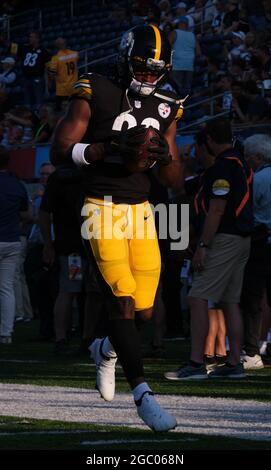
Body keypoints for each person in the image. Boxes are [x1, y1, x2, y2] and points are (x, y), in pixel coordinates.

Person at [50, 24, 184, 431]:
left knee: (143, 311)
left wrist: (162, 156)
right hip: (100, 206)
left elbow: (175, 179)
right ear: (127, 59)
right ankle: (143, 396)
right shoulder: (96, 87)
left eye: (155, 69)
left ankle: (105, 348)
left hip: (141, 210)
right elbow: (59, 150)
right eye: (142, 68)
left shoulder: (168, 102)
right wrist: (103, 148)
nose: (148, 77)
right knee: (122, 301)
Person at [165, 118, 253, 380]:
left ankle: (196, 363)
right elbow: (181, 189)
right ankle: (235, 361)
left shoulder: (223, 167)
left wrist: (203, 244)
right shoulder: (237, 163)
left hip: (224, 238)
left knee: (197, 296)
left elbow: (216, 209)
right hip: (241, 238)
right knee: (230, 301)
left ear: (210, 141)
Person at [241, 134, 271, 369]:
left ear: (258, 156)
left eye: (249, 156)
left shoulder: (258, 179)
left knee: (253, 297)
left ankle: (252, 349)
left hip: (261, 242)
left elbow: (249, 210)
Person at [0, 146, 31, 344]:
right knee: (6, 288)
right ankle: (6, 333)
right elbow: (26, 214)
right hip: (12, 240)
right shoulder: (17, 185)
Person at [47, 37, 79, 112]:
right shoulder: (75, 54)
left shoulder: (55, 58)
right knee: (75, 109)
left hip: (62, 89)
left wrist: (50, 83)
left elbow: (52, 74)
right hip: (74, 87)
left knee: (59, 111)